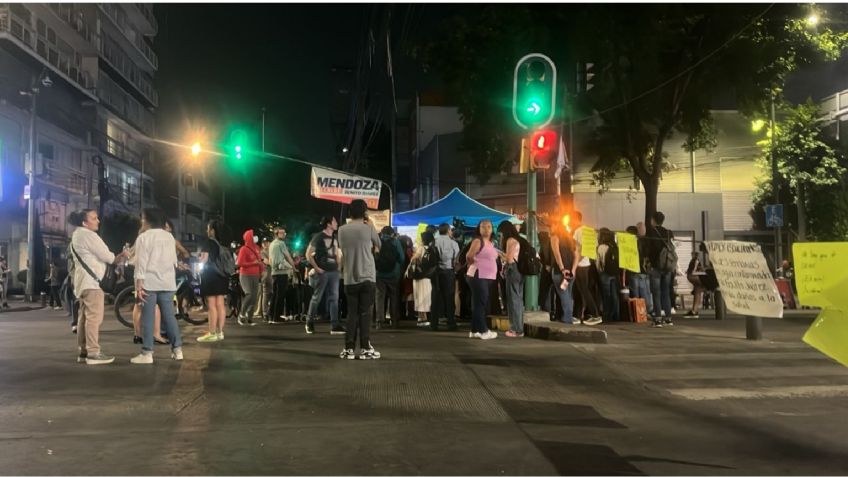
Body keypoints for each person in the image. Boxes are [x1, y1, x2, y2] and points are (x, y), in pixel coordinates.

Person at [69, 209, 128, 365]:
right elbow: (108, 257)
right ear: (84, 222)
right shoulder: (89, 235)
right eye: (94, 218)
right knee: (94, 318)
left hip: (83, 282)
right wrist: (120, 256)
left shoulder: (76, 235)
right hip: (92, 283)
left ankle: (83, 352)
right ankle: (93, 353)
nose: (98, 221)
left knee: (84, 318)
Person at [130, 208, 184, 364]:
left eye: (143, 219)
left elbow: (141, 264)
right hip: (168, 282)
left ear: (147, 221)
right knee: (169, 317)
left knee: (148, 317)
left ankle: (147, 353)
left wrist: (138, 286)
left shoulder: (144, 237)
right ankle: (177, 350)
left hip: (149, 282)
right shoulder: (169, 236)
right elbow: (173, 260)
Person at [337, 200, 382, 359]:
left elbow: (343, 249)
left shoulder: (341, 230)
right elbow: (379, 245)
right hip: (367, 276)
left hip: (349, 276)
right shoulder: (368, 228)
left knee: (351, 314)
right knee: (365, 313)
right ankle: (365, 348)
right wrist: (369, 224)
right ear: (364, 212)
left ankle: (349, 349)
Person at [305, 216, 342, 335]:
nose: (336, 223)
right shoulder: (318, 237)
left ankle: (335, 325)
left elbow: (337, 253)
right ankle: (309, 322)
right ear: (328, 224)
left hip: (334, 271)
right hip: (323, 272)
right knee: (317, 298)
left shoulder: (335, 237)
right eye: (334, 221)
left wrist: (338, 266)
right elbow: (308, 254)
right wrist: (316, 268)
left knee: (334, 298)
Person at [465, 220, 498, 340]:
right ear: (479, 229)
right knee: (481, 304)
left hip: (485, 276)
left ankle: (474, 330)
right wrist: (473, 263)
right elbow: (469, 256)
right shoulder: (478, 241)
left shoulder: (490, 242)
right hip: (478, 275)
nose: (486, 229)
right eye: (483, 227)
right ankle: (484, 330)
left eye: (489, 226)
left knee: (478, 303)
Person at [198, 220, 229, 342]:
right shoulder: (221, 244)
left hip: (211, 276)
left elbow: (204, 260)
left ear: (212, 230)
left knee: (211, 305)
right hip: (222, 276)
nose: (207, 231)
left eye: (208, 228)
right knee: (220, 304)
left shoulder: (208, 242)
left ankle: (211, 333)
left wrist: (199, 261)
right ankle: (220, 332)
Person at [571, 212, 602, 326]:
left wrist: (575, 264)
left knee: (583, 290)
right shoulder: (590, 231)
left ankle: (595, 315)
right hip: (587, 264)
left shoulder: (578, 232)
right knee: (579, 290)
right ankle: (577, 316)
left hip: (580, 265)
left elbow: (578, 249)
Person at [647, 211, 675, 327]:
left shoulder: (652, 232)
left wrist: (649, 262)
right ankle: (668, 318)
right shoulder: (668, 233)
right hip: (667, 266)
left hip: (656, 267)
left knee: (656, 293)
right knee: (666, 292)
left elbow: (650, 249)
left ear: (653, 220)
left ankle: (658, 318)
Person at [498, 221, 524, 337]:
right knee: (518, 299)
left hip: (512, 269)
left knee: (513, 300)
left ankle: (515, 329)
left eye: (501, 233)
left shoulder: (510, 241)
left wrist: (499, 253)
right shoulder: (518, 239)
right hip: (519, 270)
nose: (501, 236)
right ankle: (519, 328)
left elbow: (509, 259)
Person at [375, 226, 404, 329]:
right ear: (392, 233)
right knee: (394, 296)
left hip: (379, 274)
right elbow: (401, 258)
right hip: (393, 273)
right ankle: (394, 320)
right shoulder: (396, 242)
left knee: (380, 297)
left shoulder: (377, 242)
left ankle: (379, 321)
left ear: (382, 233)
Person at [433, 223, 460, 331]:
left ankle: (434, 323)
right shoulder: (453, 243)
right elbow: (456, 260)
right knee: (449, 297)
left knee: (435, 297)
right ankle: (451, 322)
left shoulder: (434, 242)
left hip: (436, 272)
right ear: (448, 230)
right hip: (448, 271)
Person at [409, 231, 439, 327]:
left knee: (419, 297)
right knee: (424, 297)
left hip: (417, 277)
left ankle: (421, 318)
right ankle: (423, 319)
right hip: (426, 277)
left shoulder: (420, 249)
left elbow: (413, 261)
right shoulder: (429, 249)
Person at [550, 221, 578, 324]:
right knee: (569, 294)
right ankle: (568, 316)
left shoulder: (555, 238)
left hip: (559, 272)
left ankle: (567, 317)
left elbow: (557, 254)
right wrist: (573, 270)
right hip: (571, 272)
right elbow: (576, 256)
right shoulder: (571, 239)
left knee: (564, 294)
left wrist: (562, 269)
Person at [236, 229, 263, 326]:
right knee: (249, 294)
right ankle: (241, 315)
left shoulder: (257, 248)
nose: (255, 237)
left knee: (254, 297)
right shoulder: (244, 249)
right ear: (249, 238)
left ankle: (250, 318)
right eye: (252, 236)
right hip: (245, 275)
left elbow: (260, 261)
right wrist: (253, 263)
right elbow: (239, 263)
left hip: (255, 275)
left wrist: (262, 271)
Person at [269, 226, 296, 323]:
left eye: (285, 233)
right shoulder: (281, 243)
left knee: (275, 295)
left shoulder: (272, 244)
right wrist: (294, 267)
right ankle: (277, 317)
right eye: (282, 233)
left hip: (274, 272)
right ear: (276, 234)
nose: (284, 234)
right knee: (280, 295)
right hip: (281, 272)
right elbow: (288, 256)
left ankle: (271, 316)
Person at [625, 224, 653, 314]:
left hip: (633, 271)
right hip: (643, 272)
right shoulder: (642, 242)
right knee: (645, 293)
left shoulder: (628, 244)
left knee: (635, 294)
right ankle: (647, 311)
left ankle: (637, 313)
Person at [596, 228, 620, 323]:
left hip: (605, 273)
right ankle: (616, 315)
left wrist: (599, 272)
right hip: (615, 273)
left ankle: (607, 315)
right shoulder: (615, 246)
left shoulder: (601, 247)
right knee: (615, 295)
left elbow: (598, 262)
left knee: (606, 295)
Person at [256, 236, 273, 321]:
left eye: (267, 242)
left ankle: (268, 312)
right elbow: (268, 262)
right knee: (266, 294)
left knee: (270, 294)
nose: (265, 244)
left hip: (272, 273)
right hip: (266, 274)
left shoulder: (272, 251)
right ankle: (265, 313)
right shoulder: (262, 252)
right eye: (264, 243)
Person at [685, 250, 705, 318]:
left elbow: (694, 269)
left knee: (697, 291)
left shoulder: (695, 260)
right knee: (697, 291)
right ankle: (694, 310)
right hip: (696, 277)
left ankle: (694, 311)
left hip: (692, 276)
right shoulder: (696, 260)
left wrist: (691, 272)